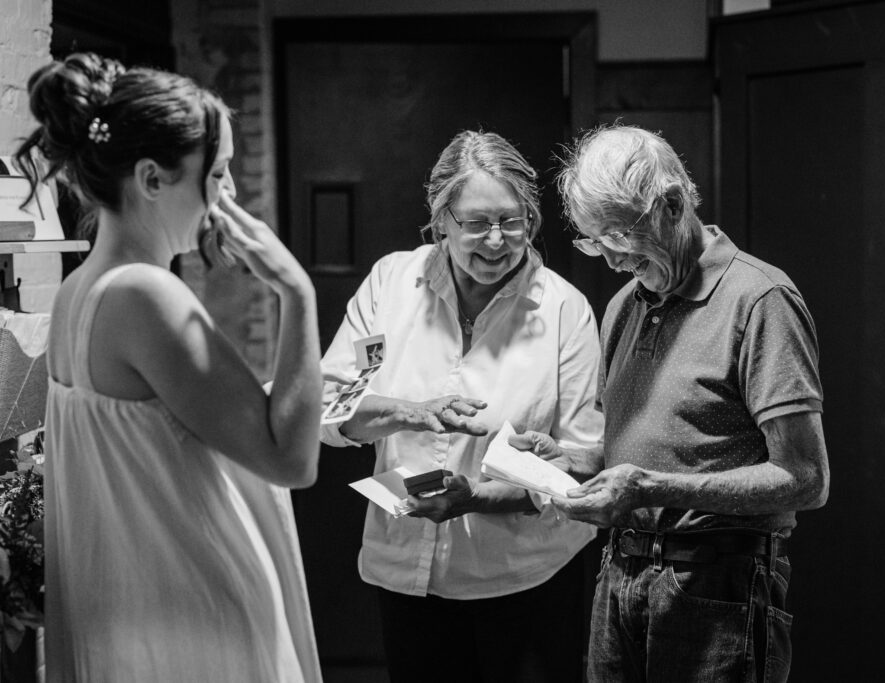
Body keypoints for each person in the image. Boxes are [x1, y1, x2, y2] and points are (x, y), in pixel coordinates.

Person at [17, 53, 323, 682]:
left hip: (133, 619)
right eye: (216, 174)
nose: (228, 195)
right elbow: (291, 461)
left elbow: (160, 434)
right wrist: (297, 292)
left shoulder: (79, 293)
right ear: (153, 179)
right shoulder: (147, 295)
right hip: (195, 621)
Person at [510, 124, 830, 682]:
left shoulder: (760, 299)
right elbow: (644, 452)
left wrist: (653, 488)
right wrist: (567, 461)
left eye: (618, 235)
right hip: (620, 575)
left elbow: (806, 478)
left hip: (719, 584)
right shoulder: (623, 307)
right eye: (594, 240)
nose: (609, 259)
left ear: (673, 205)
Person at [320, 130, 603, 682]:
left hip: (526, 581)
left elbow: (582, 463)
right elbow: (334, 403)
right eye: (476, 223)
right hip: (406, 574)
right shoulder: (392, 285)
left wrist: (475, 499)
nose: (496, 241)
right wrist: (412, 411)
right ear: (442, 218)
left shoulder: (566, 310)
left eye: (512, 221)